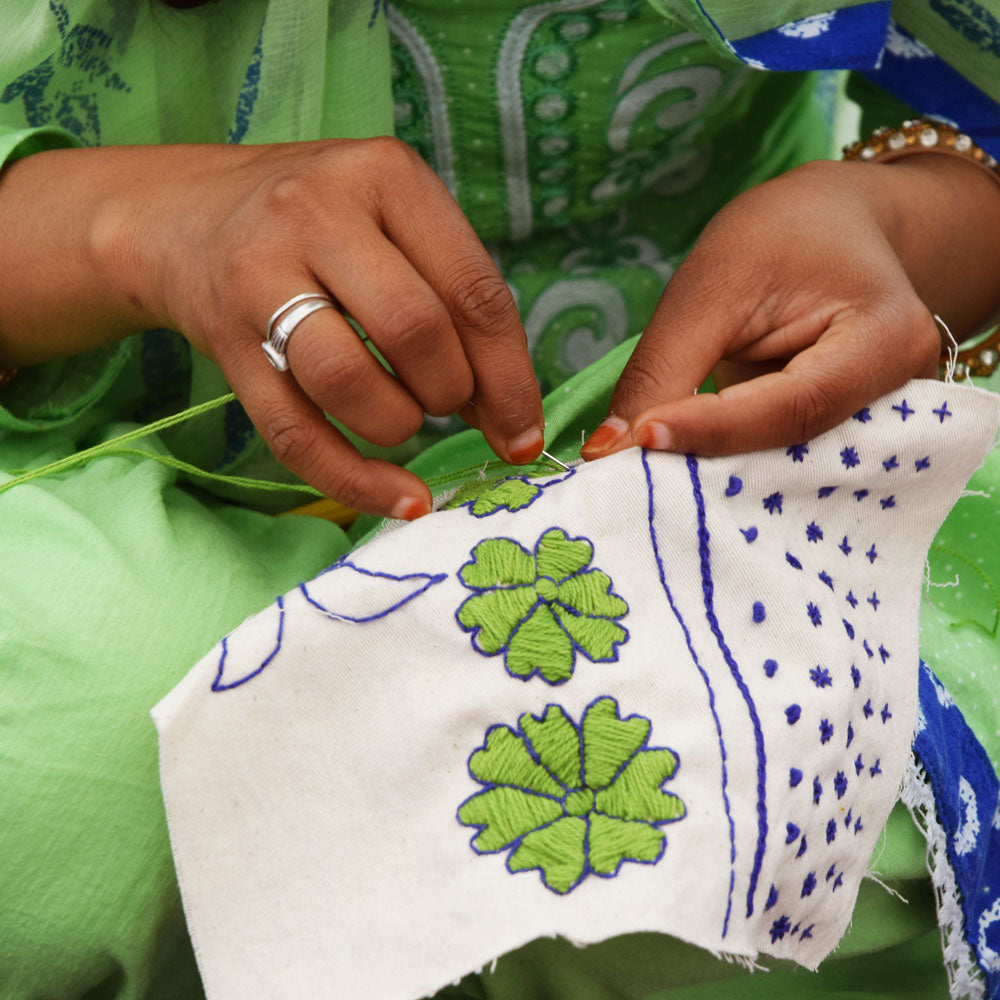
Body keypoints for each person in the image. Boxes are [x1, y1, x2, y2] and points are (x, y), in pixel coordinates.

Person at [0, 1, 998, 997]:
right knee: (67, 745)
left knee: (814, 780)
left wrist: (894, 226)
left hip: (701, 445)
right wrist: (120, 229)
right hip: (63, 453)